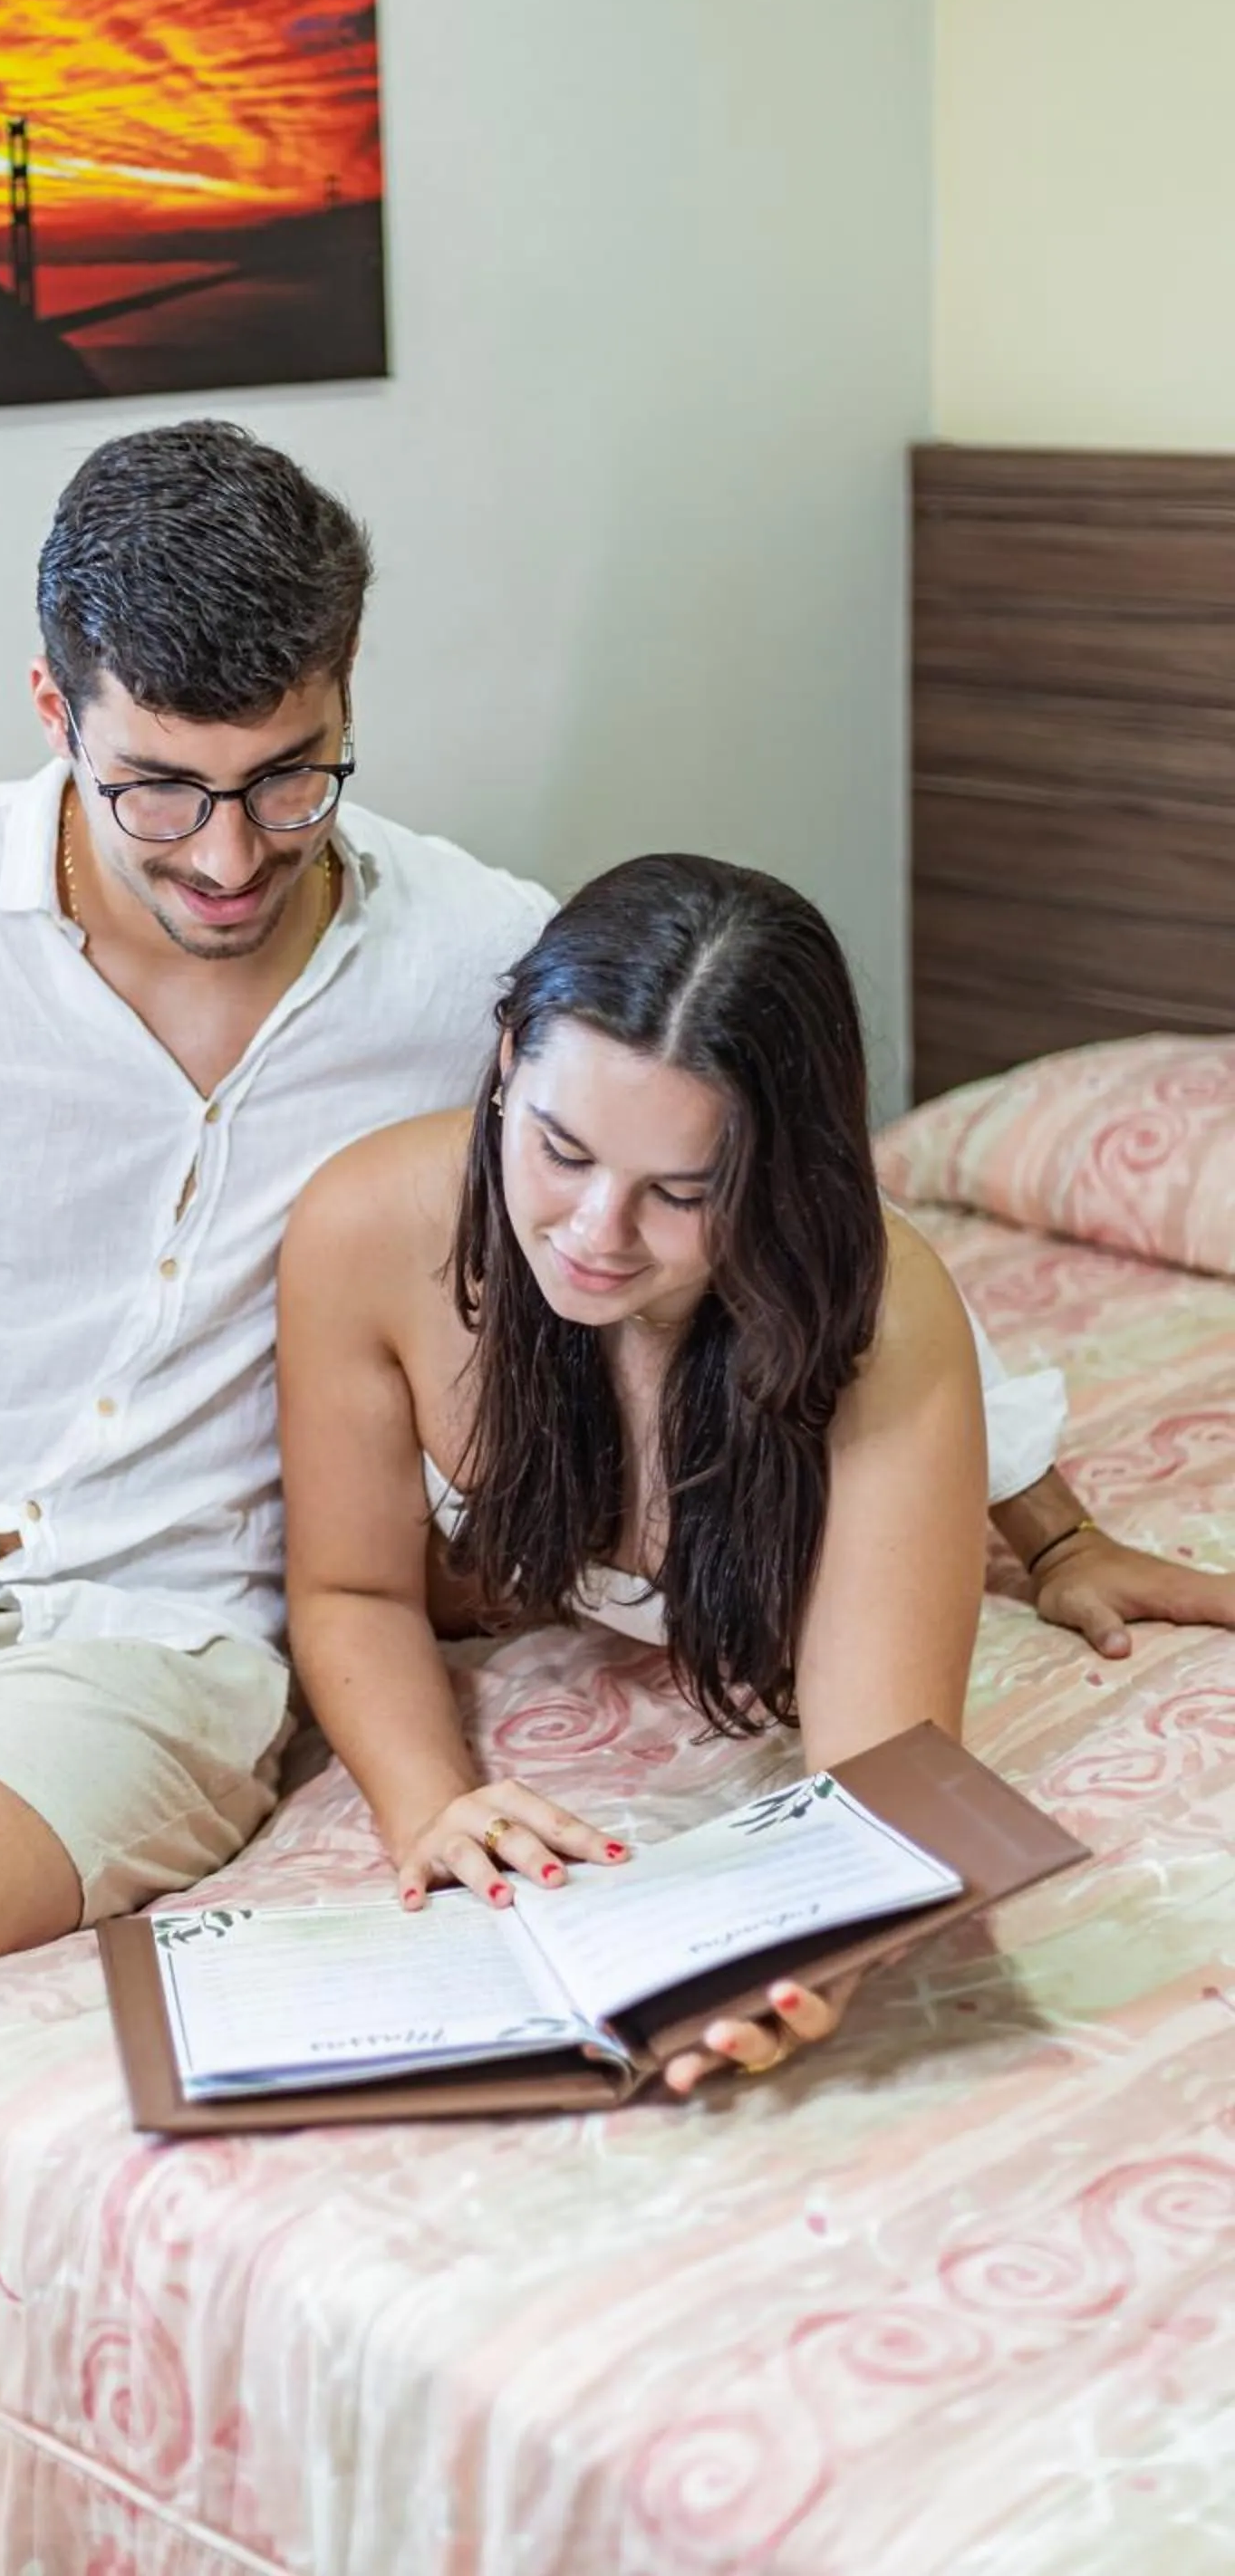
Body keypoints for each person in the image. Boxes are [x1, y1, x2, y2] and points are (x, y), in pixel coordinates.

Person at [0, 424, 1227, 2571]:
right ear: (50, 710)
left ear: (349, 702)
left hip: (130, 1644)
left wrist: (1043, 1518)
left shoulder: (482, 964)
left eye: (291, 775)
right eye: (159, 784)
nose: (224, 849)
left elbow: (786, 1239)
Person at [281, 851, 1002, 2093]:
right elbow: (353, 1593)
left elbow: (880, 1768)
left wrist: (818, 1954)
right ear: (508, 1061)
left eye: (681, 1193)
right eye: (562, 1151)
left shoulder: (881, 1316)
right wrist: (435, 1806)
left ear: (778, 1178)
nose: (596, 1236)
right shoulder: (364, 1227)